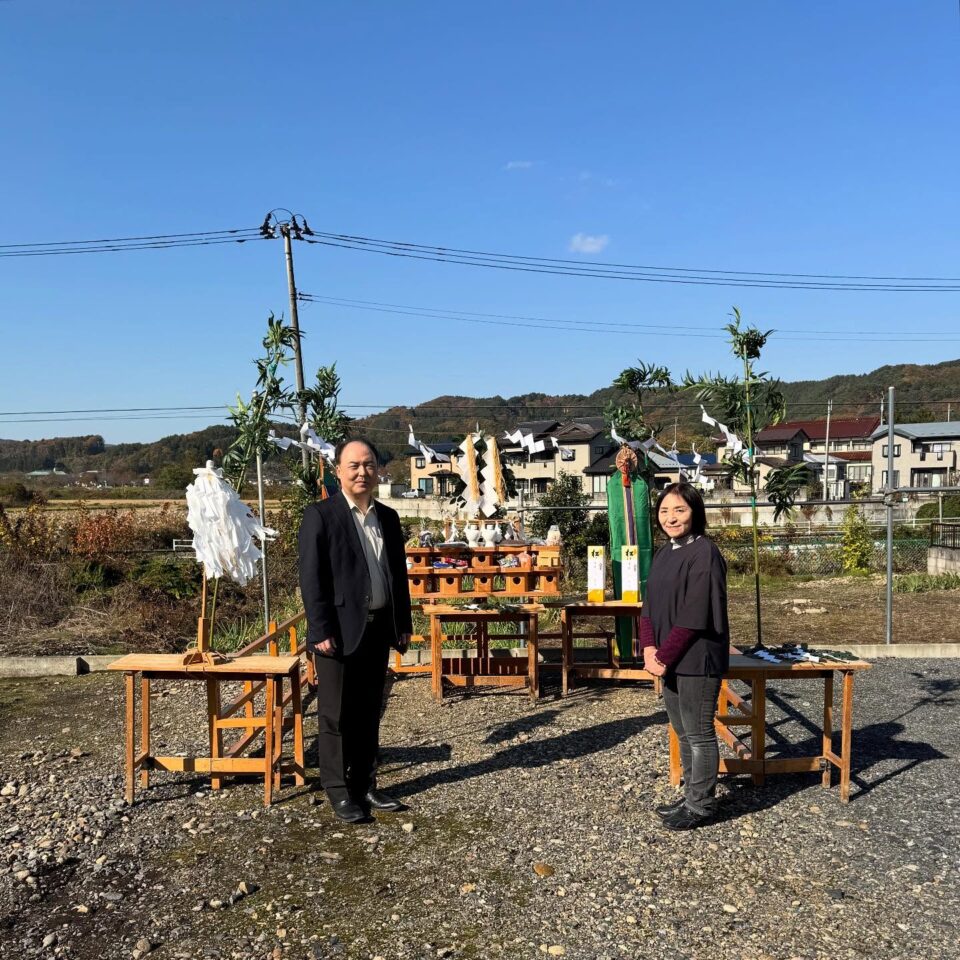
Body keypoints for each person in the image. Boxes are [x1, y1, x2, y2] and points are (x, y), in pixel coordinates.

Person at [298, 438, 413, 823]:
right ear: (339, 472)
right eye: (353, 466)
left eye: (369, 465)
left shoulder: (389, 517)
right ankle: (338, 789)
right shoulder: (321, 515)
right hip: (338, 632)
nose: (362, 472)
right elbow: (312, 580)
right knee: (334, 714)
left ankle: (365, 783)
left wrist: (403, 625)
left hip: (379, 629)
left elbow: (398, 577)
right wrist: (319, 630)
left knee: (368, 712)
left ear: (378, 470)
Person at [640, 482, 729, 831]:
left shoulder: (704, 553)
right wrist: (649, 648)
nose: (671, 517)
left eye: (679, 510)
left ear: (695, 511)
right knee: (681, 729)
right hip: (668, 656)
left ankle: (701, 805)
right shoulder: (666, 552)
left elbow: (696, 613)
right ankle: (692, 794)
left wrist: (662, 657)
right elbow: (649, 607)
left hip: (696, 658)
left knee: (699, 732)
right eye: (664, 511)